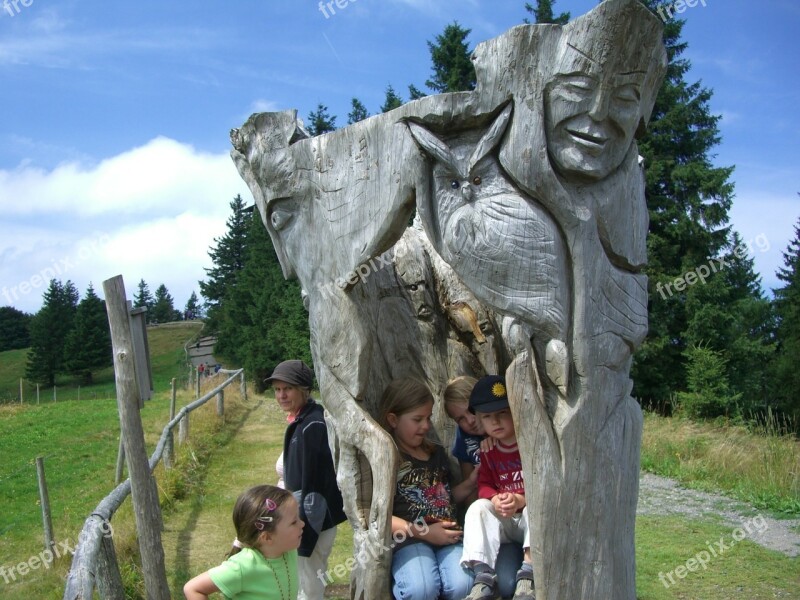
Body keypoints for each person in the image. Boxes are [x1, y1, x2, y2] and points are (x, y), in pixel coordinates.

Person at [379, 378, 476, 600]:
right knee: (421, 588)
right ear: (393, 419)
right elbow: (379, 515)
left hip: (449, 535)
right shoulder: (387, 457)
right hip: (411, 539)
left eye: (428, 417)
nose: (426, 425)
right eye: (417, 419)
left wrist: (471, 483)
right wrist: (426, 533)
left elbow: (447, 498)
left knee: (465, 584)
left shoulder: (436, 453)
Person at [264, 360, 346, 600]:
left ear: (303, 389)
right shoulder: (301, 420)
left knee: (308, 589)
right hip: (299, 520)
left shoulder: (313, 426)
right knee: (304, 584)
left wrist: (304, 538)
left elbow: (314, 489)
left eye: (287, 388)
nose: (281, 395)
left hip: (310, 523)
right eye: (277, 390)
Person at [444, 376, 523, 599]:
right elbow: (475, 485)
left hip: (524, 514)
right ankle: (484, 575)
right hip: (496, 517)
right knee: (506, 583)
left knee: (511, 583)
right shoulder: (466, 438)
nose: (470, 421)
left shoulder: (508, 434)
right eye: (460, 418)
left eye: (471, 412)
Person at [461, 375, 534, 600]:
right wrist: (494, 499)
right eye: (487, 416)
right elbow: (484, 484)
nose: (496, 421)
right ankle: (483, 575)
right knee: (478, 507)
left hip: (528, 522)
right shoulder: (489, 450)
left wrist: (521, 499)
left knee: (537, 510)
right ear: (480, 421)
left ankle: (529, 573)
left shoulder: (530, 443)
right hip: (504, 520)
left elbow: (546, 486)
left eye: (503, 413)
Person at [183, 484, 303, 600]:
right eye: (294, 522)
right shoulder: (242, 567)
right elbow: (193, 588)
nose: (302, 524)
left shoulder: (288, 551)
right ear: (267, 537)